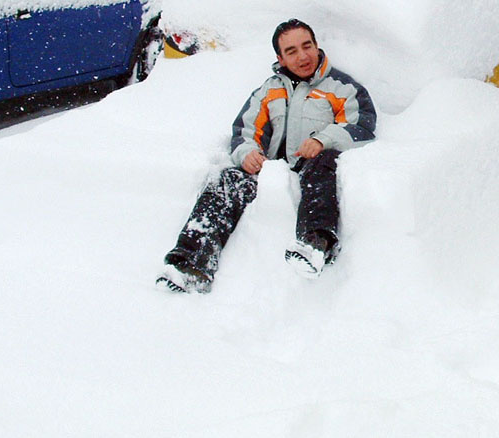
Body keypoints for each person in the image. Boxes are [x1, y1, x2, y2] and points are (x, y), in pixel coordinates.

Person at [157, 19, 377, 293]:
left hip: (317, 173)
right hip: (272, 172)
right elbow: (244, 130)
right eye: (292, 51)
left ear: (317, 46)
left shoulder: (342, 87)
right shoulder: (268, 90)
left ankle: (315, 245)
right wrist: (247, 153)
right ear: (280, 58)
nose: (303, 56)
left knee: (325, 161)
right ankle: (189, 264)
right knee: (228, 179)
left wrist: (322, 140)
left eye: (307, 46)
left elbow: (362, 126)